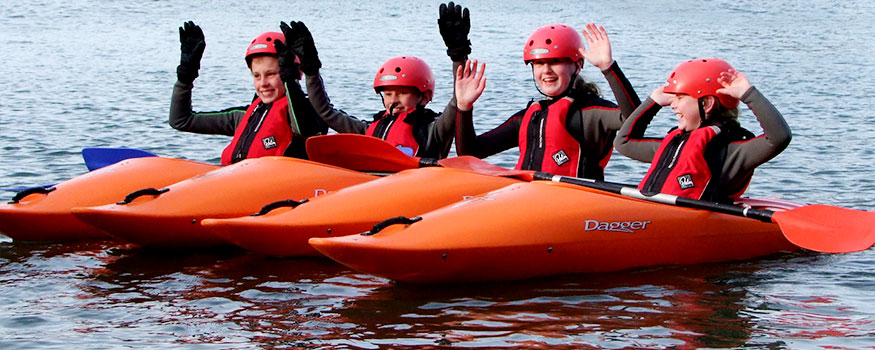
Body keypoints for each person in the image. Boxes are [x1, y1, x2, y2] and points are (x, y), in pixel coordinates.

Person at [281, 2, 472, 159]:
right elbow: (325, 112)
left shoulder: (434, 131)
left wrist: (458, 56)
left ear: (425, 96)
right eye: (388, 93)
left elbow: (458, 101)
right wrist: (311, 70)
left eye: (402, 93)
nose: (393, 100)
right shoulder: (367, 129)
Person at [454, 23, 640, 180]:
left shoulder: (590, 112)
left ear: (577, 65)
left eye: (555, 62)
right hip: (528, 203)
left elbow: (636, 119)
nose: (546, 71)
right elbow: (470, 153)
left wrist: (608, 68)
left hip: (573, 210)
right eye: (540, 63)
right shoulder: (529, 116)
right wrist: (464, 107)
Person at [613, 58, 791, 203]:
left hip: (692, 226)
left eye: (680, 98)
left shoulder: (732, 152)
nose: (672, 105)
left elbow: (779, 137)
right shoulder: (676, 144)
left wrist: (748, 94)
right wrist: (654, 101)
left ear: (706, 104)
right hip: (655, 218)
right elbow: (624, 142)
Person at [169, 21, 327, 165]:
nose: (263, 84)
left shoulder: (310, 113)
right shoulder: (244, 115)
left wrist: (290, 81)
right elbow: (181, 121)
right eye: (257, 76)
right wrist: (186, 77)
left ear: (290, 72)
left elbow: (305, 130)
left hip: (278, 189)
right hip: (237, 185)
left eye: (271, 74)